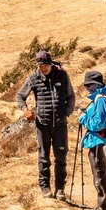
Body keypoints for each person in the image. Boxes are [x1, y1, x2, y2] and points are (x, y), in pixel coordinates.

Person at [13, 49, 75, 198]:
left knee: (60, 157)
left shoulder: (63, 76)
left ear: (51, 64)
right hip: (42, 125)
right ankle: (45, 187)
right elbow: (19, 96)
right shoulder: (33, 78)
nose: (43, 69)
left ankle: (60, 189)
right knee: (43, 157)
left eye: (46, 65)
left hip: (60, 125)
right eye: (41, 66)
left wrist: (67, 112)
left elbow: (71, 96)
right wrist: (25, 110)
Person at [78, 70, 106, 210]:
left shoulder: (101, 99)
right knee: (103, 172)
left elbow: (97, 124)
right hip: (104, 140)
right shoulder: (105, 96)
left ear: (96, 85)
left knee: (99, 173)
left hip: (98, 141)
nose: (87, 88)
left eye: (89, 85)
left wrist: (83, 117)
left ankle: (102, 208)